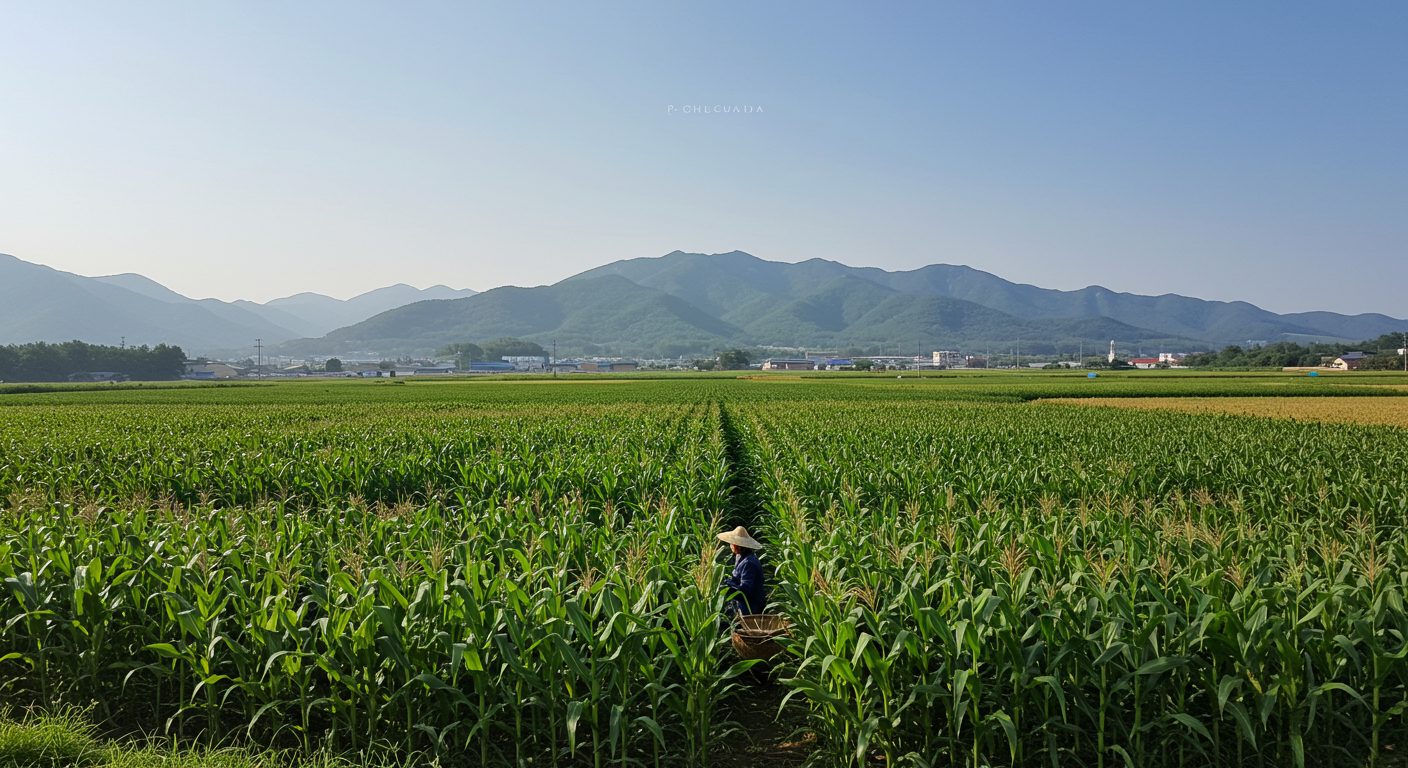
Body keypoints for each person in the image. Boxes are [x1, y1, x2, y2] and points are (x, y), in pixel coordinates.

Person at [718, 525, 766, 618]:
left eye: (732, 544)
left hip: (751, 604)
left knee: (749, 626)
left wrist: (728, 590)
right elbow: (736, 578)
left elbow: (745, 590)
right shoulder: (740, 556)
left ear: (738, 546)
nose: (731, 546)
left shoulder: (749, 563)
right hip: (744, 601)